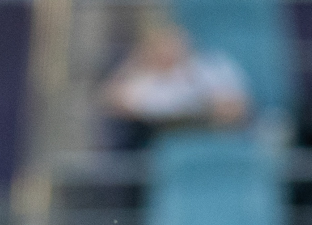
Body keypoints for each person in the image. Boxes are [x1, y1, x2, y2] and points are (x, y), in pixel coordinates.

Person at [100, 18, 250, 139]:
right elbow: (113, 101)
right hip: (169, 138)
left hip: (221, 135)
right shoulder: (147, 80)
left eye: (173, 42)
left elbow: (237, 109)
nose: (168, 50)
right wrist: (135, 61)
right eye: (160, 45)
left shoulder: (213, 65)